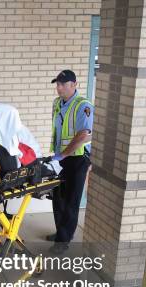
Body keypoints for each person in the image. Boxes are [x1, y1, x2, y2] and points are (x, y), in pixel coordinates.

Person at [47, 70, 94, 252]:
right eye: (57, 84)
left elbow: (84, 135)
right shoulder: (57, 103)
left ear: (73, 85)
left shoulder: (83, 106)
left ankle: (63, 241)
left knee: (71, 200)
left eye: (62, 84)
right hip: (60, 158)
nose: (58, 88)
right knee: (58, 198)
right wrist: (58, 155)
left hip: (77, 158)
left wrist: (64, 154)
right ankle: (61, 233)